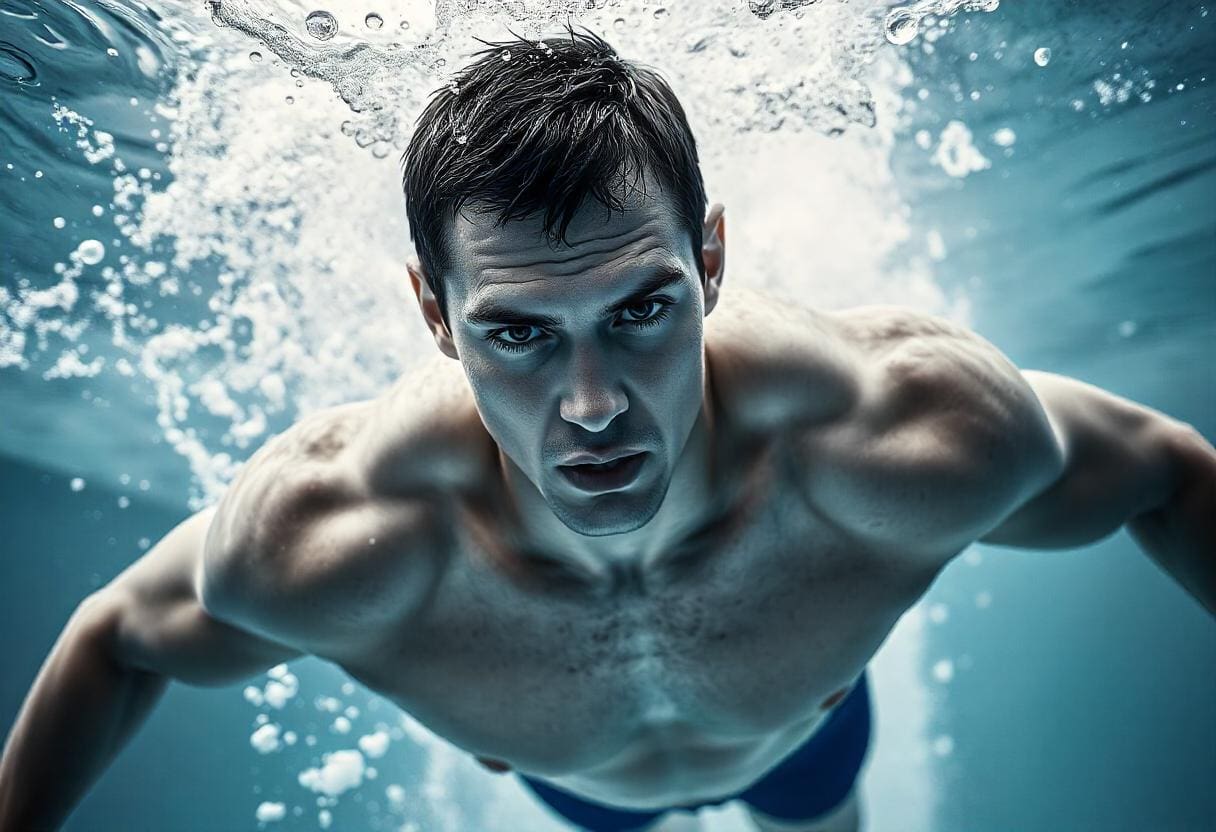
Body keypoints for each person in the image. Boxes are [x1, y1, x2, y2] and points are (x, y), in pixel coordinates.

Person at [1, 25, 1212, 832]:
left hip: (806, 744)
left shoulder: (896, 429)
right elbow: (114, 639)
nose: (591, 407)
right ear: (434, 313)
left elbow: (1165, 471)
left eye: (639, 310)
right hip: (578, 793)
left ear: (711, 259)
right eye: (518, 333)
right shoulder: (333, 531)